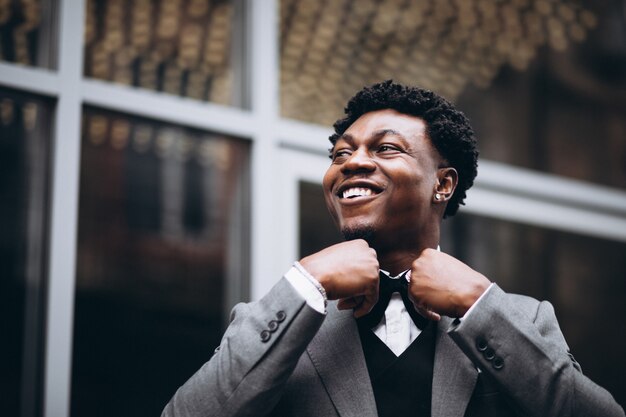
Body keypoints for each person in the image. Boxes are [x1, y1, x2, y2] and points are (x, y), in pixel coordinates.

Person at [162, 81, 624, 417]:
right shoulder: (275, 319)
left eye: (385, 149)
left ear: (442, 184)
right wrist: (309, 281)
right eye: (341, 154)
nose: (353, 163)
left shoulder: (522, 320)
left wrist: (477, 304)